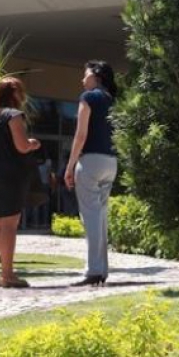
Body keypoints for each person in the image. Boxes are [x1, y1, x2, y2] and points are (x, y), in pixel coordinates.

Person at [0, 76, 41, 289]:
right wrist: (32, 144)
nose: (23, 97)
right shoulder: (13, 115)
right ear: (14, 94)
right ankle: (9, 275)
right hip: (12, 175)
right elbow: (21, 146)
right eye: (21, 92)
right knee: (10, 224)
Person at [64, 60, 118, 287]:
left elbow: (81, 135)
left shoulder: (88, 98)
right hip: (111, 162)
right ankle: (101, 269)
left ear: (95, 76)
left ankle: (94, 270)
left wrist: (69, 166)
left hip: (91, 161)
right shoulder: (113, 101)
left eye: (85, 75)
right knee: (101, 216)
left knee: (91, 217)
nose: (82, 79)